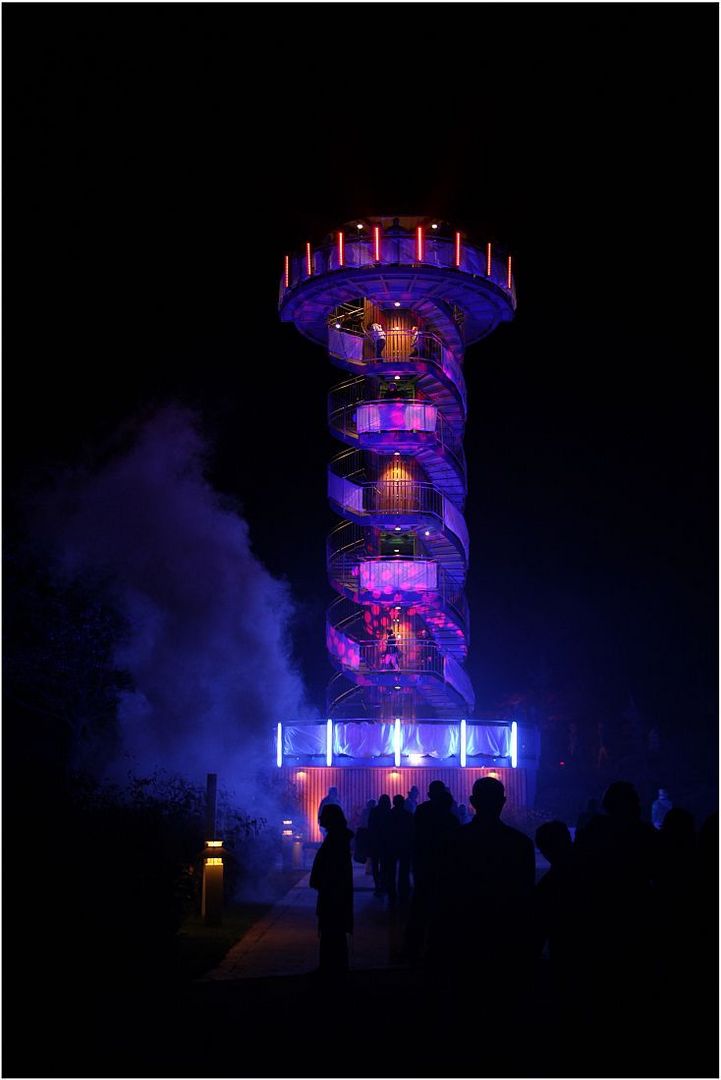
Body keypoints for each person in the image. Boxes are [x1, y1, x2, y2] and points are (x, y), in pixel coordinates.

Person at [309, 804, 354, 975]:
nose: (321, 820)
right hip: (334, 891)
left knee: (331, 930)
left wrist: (322, 881)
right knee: (334, 931)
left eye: (324, 816)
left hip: (333, 893)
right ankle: (334, 966)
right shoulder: (338, 838)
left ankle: (331, 968)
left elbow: (331, 867)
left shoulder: (335, 840)